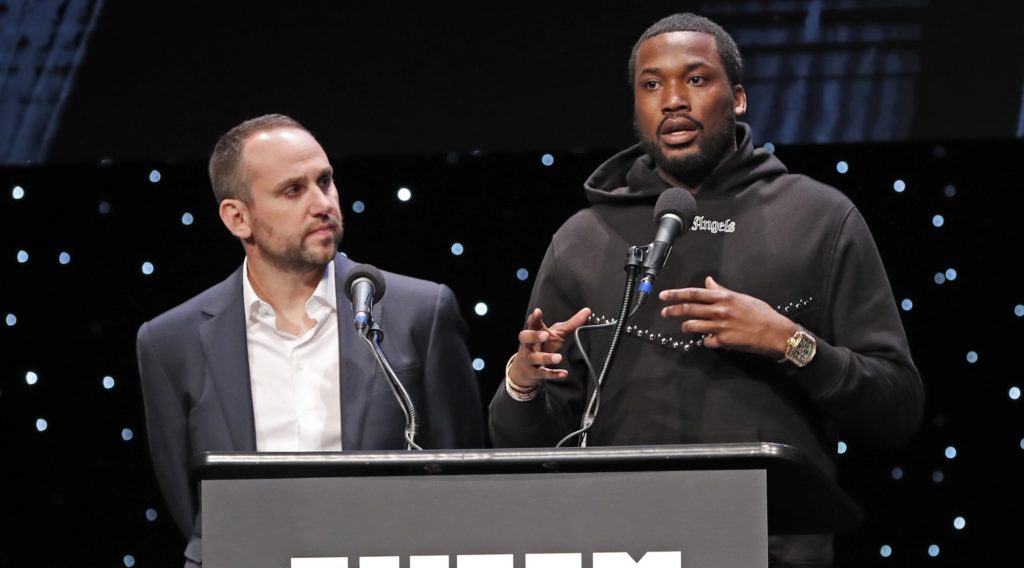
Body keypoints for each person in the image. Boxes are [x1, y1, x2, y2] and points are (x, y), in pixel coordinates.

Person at [489, 13, 923, 567]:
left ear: (737, 98)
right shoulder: (581, 239)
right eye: (652, 84)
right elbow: (527, 449)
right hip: (621, 547)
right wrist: (522, 383)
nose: (673, 100)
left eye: (695, 79)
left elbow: (897, 409)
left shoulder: (819, 219)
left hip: (770, 548)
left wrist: (788, 342)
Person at [136, 114, 484, 567]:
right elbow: (190, 507)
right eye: (293, 190)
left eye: (325, 181)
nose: (322, 203)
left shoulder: (420, 312)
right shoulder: (170, 342)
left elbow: (464, 478)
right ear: (238, 217)